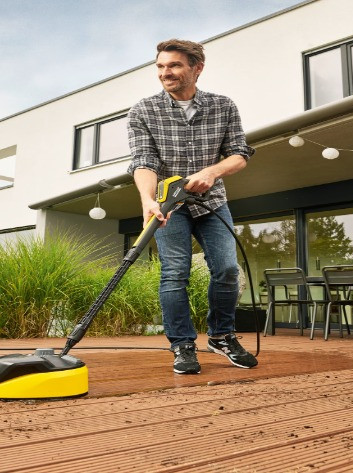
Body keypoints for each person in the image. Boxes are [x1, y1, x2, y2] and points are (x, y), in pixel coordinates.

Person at [126, 39, 257, 374]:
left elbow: (240, 153)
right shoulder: (143, 111)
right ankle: (182, 345)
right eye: (160, 66)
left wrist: (212, 172)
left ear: (196, 68)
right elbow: (143, 162)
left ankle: (222, 336)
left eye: (174, 66)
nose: (165, 73)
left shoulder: (223, 106)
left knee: (227, 269)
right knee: (175, 273)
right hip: (168, 205)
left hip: (212, 202)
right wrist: (147, 199)